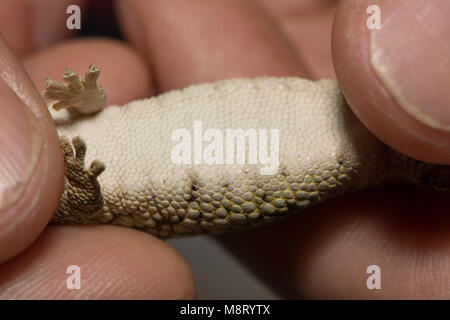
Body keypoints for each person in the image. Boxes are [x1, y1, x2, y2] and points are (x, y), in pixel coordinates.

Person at [0, 0, 449, 299]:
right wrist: (74, 178)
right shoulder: (39, 192)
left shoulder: (30, 139)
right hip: (290, 160)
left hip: (341, 114)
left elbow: (95, 110)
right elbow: (84, 204)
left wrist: (83, 98)